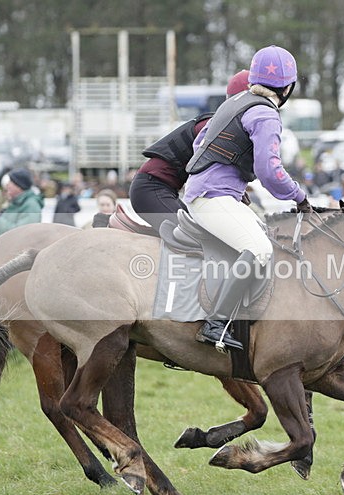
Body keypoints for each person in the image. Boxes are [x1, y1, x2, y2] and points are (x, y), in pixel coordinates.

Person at [184, 45, 310, 351]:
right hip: (214, 197)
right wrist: (299, 196)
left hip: (207, 191)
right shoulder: (266, 114)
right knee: (259, 248)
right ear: (288, 87)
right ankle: (216, 324)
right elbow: (269, 171)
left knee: (266, 240)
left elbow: (200, 143)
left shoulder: (238, 101)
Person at [128, 69, 252, 233]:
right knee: (199, 237)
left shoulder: (224, 123)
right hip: (152, 189)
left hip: (159, 188)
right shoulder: (219, 126)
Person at [0, 168, 44, 236]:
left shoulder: (31, 205)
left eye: (11, 182)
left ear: (19, 186)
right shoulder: (17, 202)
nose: (7, 185)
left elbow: (22, 233)